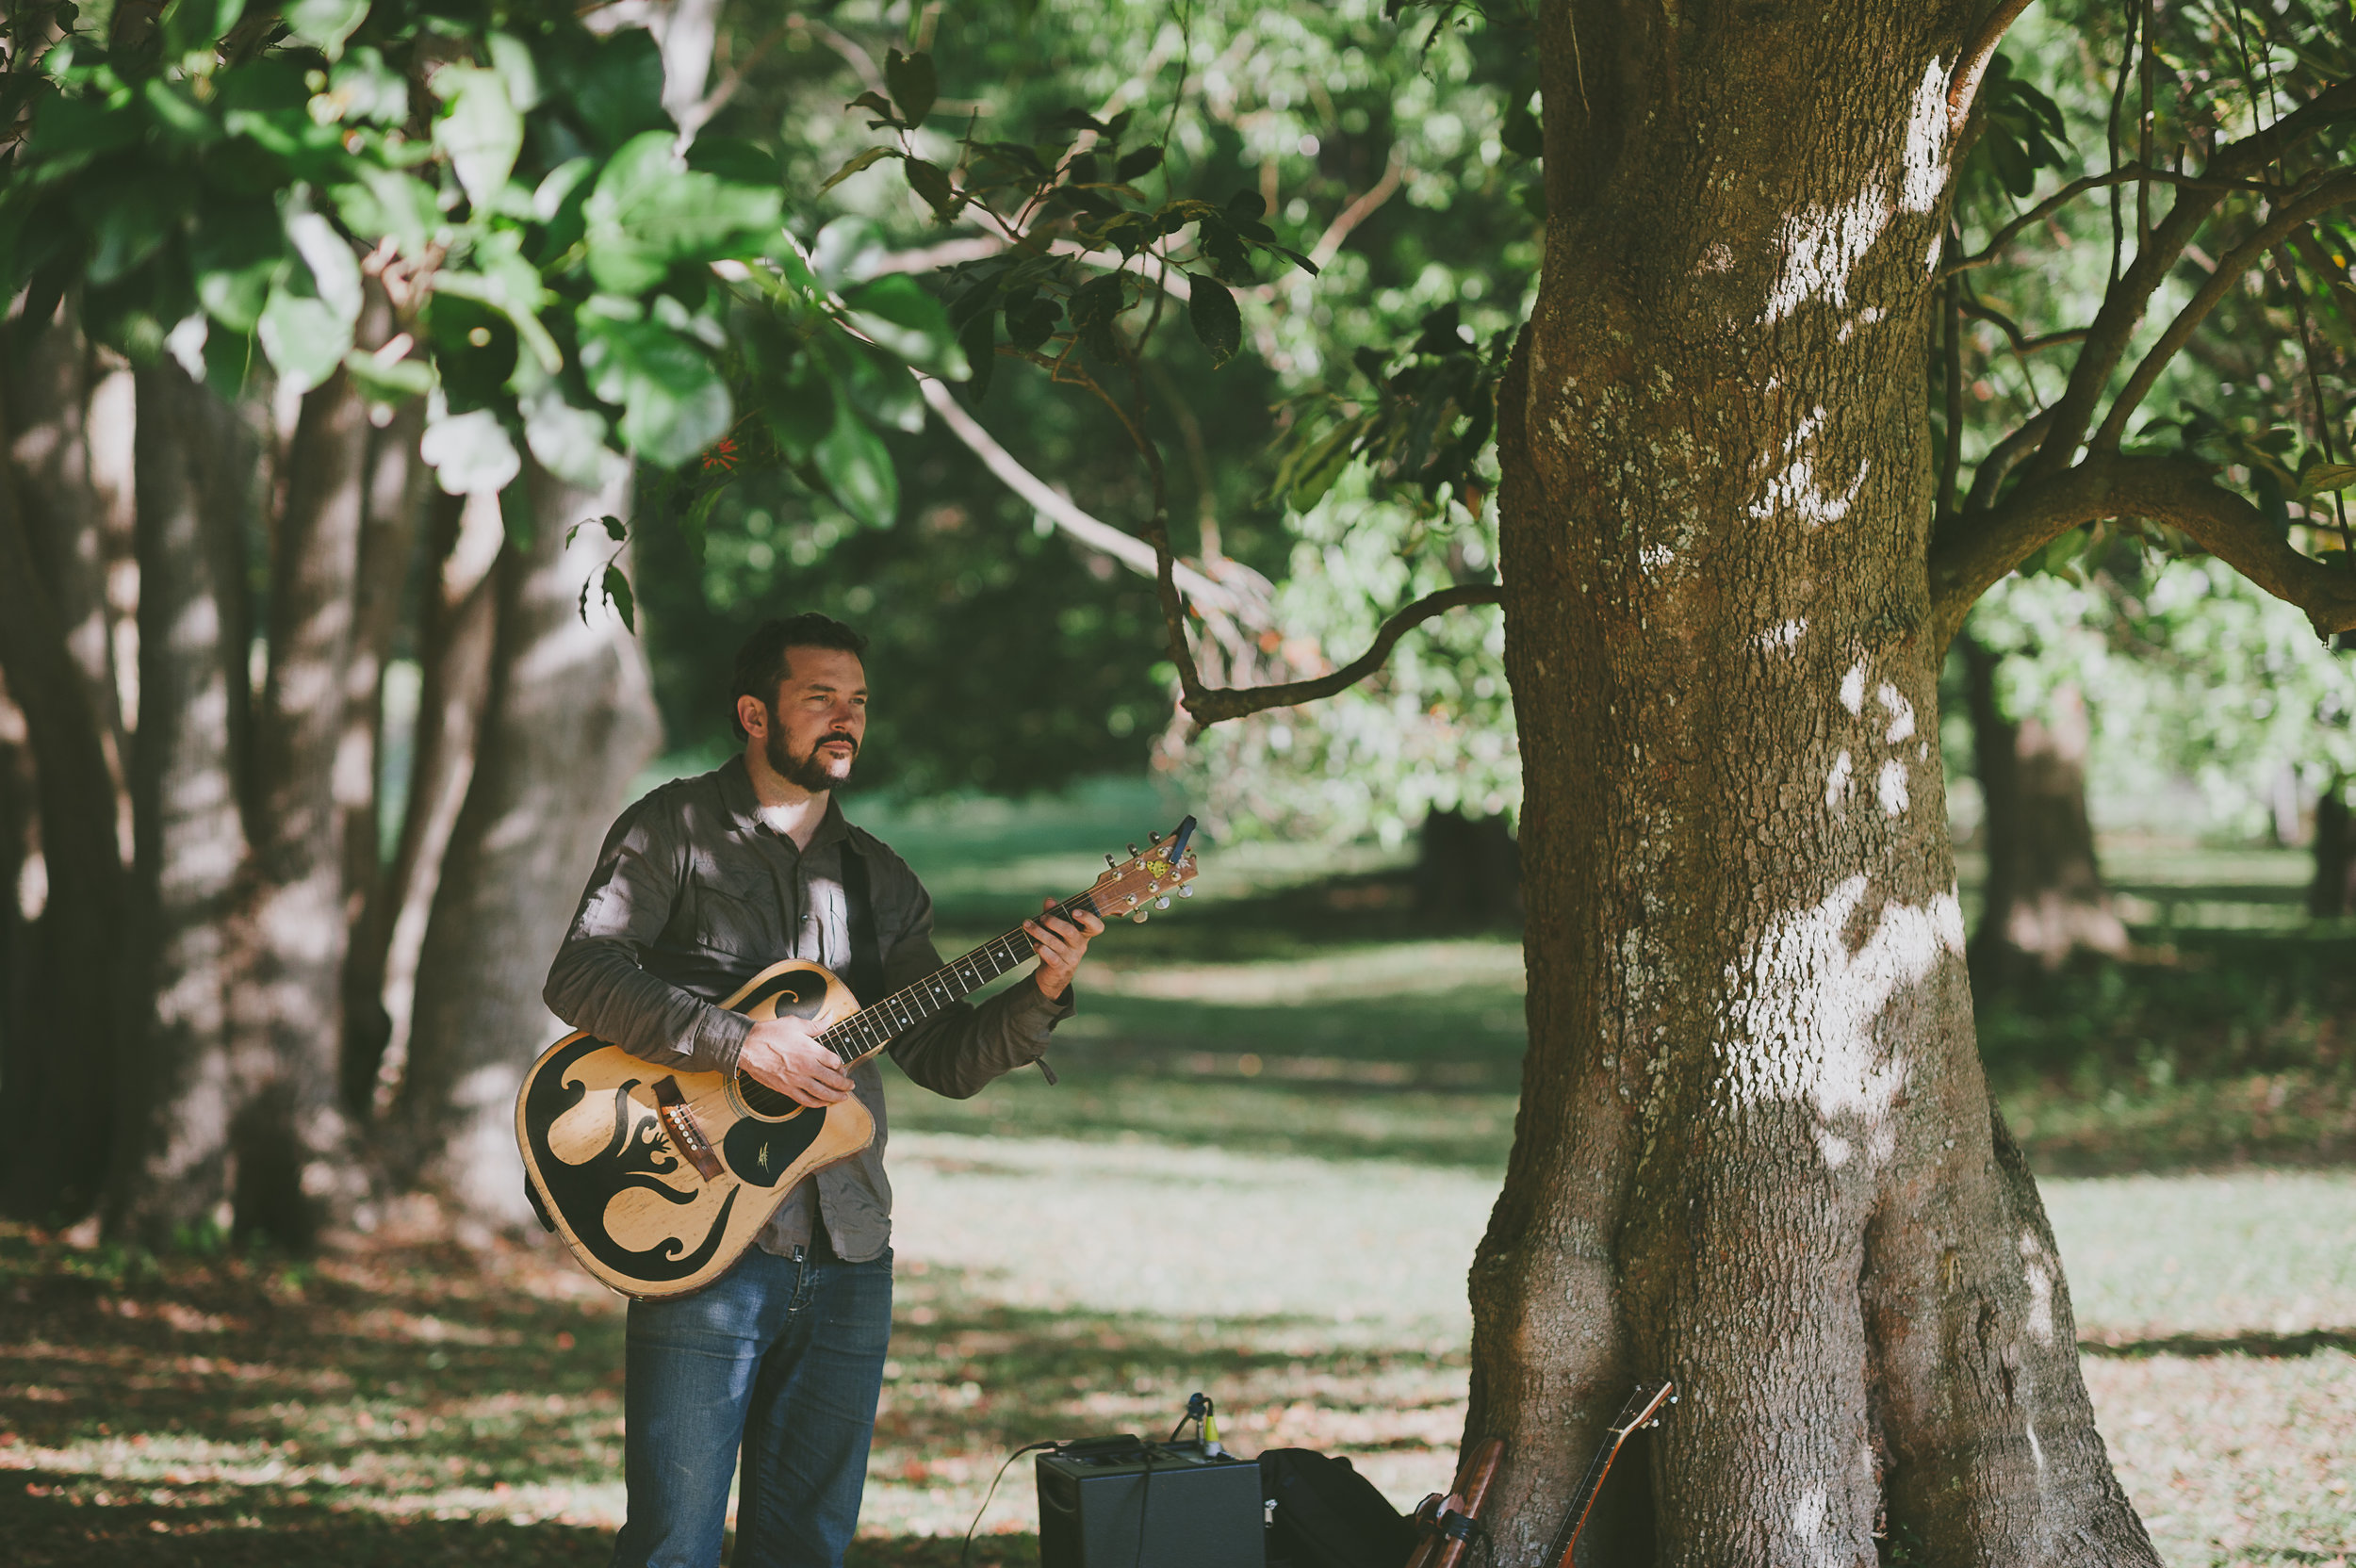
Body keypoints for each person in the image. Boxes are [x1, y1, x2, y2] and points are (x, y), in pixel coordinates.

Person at [543, 612, 1103, 1568]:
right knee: (670, 1546)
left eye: (858, 701)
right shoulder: (673, 827)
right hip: (704, 1235)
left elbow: (946, 1057)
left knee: (808, 1544)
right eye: (820, 697)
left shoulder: (878, 879)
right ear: (755, 713)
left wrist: (1043, 987)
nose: (845, 718)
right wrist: (737, 1042)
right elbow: (582, 973)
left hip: (849, 1251)